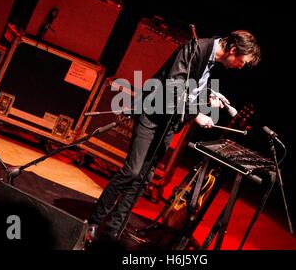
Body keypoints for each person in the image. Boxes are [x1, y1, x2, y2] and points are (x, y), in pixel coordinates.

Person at [86, 30, 261, 244]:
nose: (241, 66)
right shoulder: (195, 48)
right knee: (132, 171)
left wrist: (207, 97)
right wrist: (196, 113)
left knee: (144, 178)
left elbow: (189, 89)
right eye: (243, 61)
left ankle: (114, 227)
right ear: (233, 50)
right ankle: (93, 221)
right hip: (152, 114)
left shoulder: (210, 61)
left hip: (169, 122)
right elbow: (172, 88)